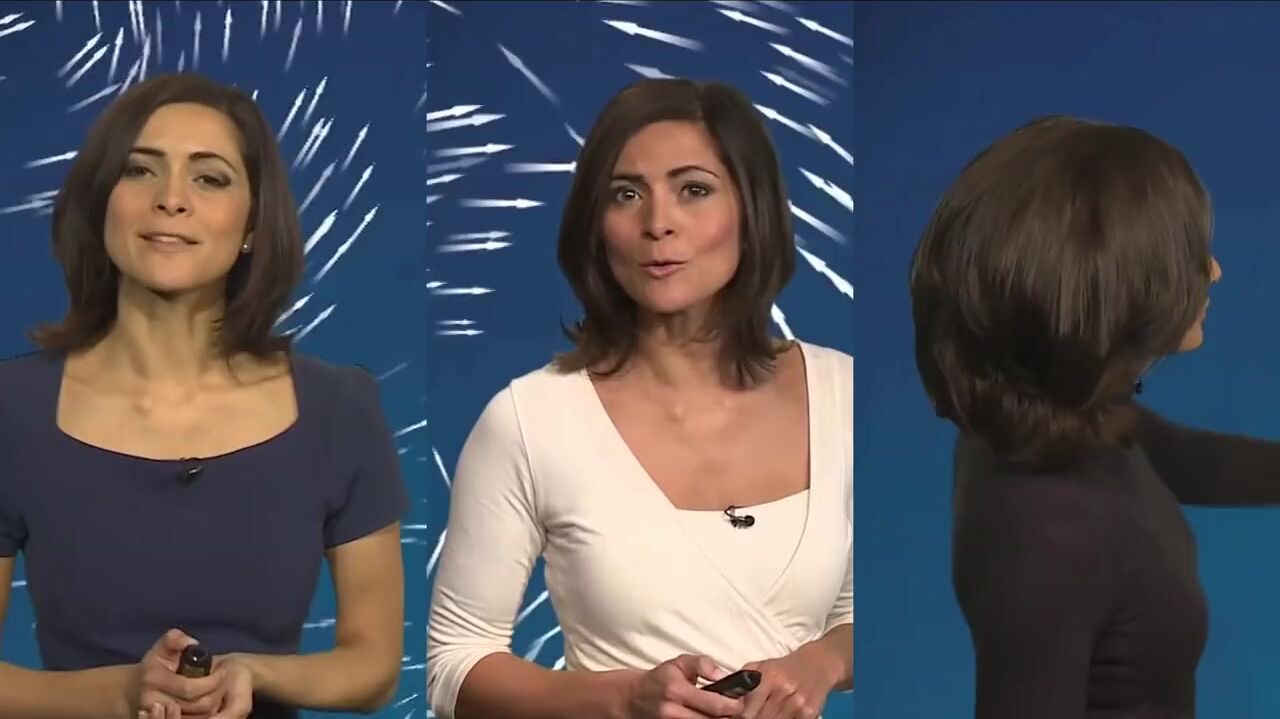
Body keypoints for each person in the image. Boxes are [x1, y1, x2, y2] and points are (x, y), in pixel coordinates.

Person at [426, 77, 853, 719]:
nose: (657, 224)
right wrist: (623, 699)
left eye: (694, 190)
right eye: (626, 194)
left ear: (752, 211)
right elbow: (454, 665)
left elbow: (858, 613)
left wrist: (819, 664)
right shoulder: (529, 420)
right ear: (596, 225)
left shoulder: (842, 393)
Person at [0, 73, 408, 719]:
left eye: (210, 178)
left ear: (252, 225)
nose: (171, 199)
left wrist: (249, 673)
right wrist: (120, 694)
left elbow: (374, 666)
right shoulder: (12, 409)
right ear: (101, 203)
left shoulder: (338, 409)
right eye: (140, 170)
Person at [909, 115, 1280, 718]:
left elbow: (1190, 461)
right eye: (1185, 256)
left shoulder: (1047, 421)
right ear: (1112, 286)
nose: (1213, 271)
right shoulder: (1047, 537)